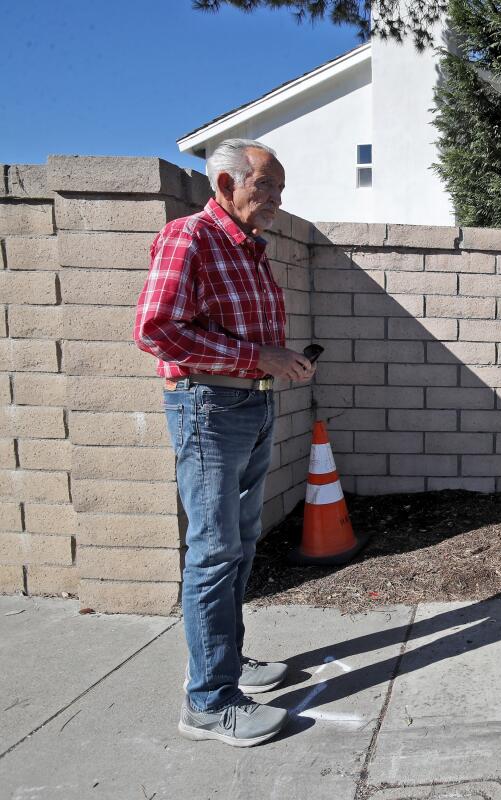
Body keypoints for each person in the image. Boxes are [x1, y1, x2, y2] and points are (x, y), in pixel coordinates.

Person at [134, 139, 314, 747]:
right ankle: (208, 702)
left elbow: (240, 333)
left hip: (249, 401)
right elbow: (155, 329)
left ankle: (227, 664)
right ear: (225, 185)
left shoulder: (248, 247)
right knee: (214, 552)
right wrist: (256, 356)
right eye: (265, 186)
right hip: (209, 408)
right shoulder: (191, 236)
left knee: (237, 543)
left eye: (280, 189)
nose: (275, 199)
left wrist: (278, 362)